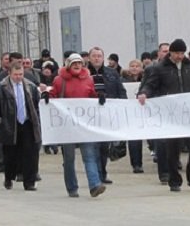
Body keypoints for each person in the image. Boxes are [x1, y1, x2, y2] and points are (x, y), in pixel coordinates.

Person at [138, 39, 190, 192]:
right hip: (170, 114)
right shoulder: (160, 68)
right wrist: (144, 93)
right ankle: (174, 180)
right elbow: (151, 84)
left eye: (182, 53)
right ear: (171, 53)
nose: (180, 56)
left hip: (187, 113)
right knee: (172, 148)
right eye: (177, 53)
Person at [48, 53, 106, 198]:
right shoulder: (59, 80)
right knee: (69, 158)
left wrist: (99, 97)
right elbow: (53, 95)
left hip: (84, 125)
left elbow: (91, 96)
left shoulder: (88, 79)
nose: (77, 65)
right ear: (68, 65)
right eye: (74, 63)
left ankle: (94, 185)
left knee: (89, 155)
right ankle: (72, 187)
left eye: (79, 63)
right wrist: (46, 96)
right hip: (67, 126)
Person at [0, 61, 41, 191]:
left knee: (29, 153)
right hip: (9, 124)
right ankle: (9, 177)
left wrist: (38, 121)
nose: (18, 77)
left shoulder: (31, 86)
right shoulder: (0, 87)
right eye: (16, 74)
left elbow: (36, 105)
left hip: (27, 123)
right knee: (10, 154)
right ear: (10, 73)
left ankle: (29, 181)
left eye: (21, 74)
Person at [87, 47, 128, 184]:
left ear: (103, 58)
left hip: (107, 114)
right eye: (94, 56)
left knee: (104, 147)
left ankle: (102, 173)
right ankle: (96, 175)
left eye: (99, 56)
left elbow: (120, 91)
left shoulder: (112, 73)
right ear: (89, 57)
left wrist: (123, 107)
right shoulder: (84, 73)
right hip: (89, 115)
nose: (97, 58)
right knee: (93, 147)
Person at [139, 42, 170, 184]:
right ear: (158, 53)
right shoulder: (152, 68)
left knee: (174, 140)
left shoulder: (176, 67)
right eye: (164, 51)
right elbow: (145, 85)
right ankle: (164, 172)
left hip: (173, 108)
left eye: (169, 51)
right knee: (161, 141)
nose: (166, 53)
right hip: (156, 107)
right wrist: (144, 94)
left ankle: (173, 164)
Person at [122, 59, 144, 173]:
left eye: (137, 66)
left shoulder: (146, 79)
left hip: (144, 112)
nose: (134, 68)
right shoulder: (123, 80)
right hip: (130, 113)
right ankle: (136, 164)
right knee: (134, 139)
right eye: (132, 66)